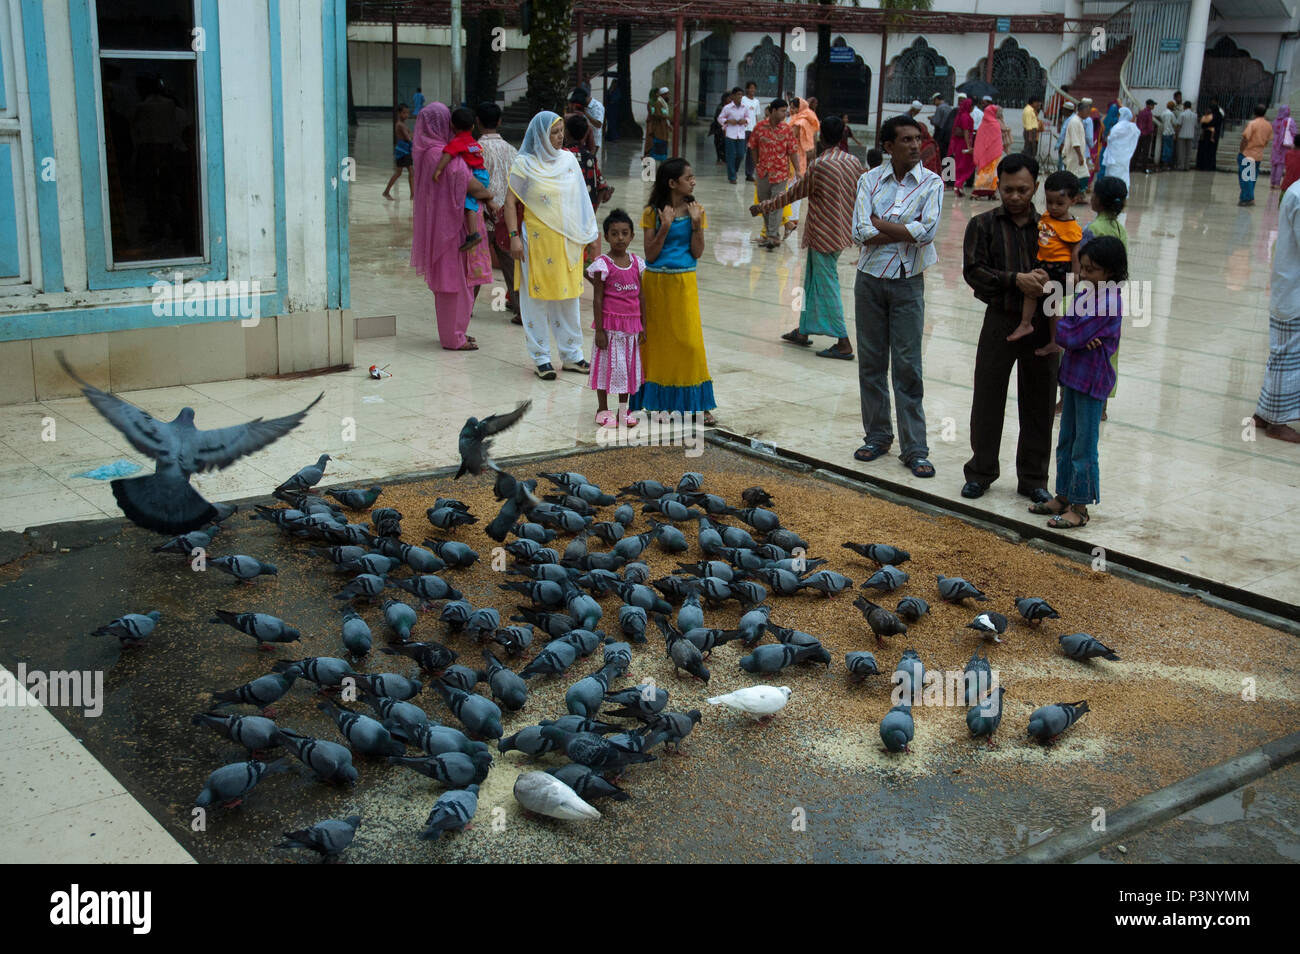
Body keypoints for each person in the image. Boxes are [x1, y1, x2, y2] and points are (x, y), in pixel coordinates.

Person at [960, 152, 1061, 504]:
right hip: (1000, 320)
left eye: (1023, 190)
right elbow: (973, 272)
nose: (1015, 197)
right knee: (987, 397)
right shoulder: (983, 225)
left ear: (1036, 186)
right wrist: (1015, 280)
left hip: (1043, 324)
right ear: (997, 185)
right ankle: (981, 471)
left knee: (1040, 402)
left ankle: (1033, 478)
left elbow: (1074, 274)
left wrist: (1046, 282)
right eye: (1008, 190)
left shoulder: (1053, 227)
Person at [850, 114, 944, 479]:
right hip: (870, 280)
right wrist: (906, 230)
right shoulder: (868, 180)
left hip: (908, 283)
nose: (915, 145)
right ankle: (877, 435)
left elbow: (928, 232)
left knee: (907, 366)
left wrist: (882, 225)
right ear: (888, 147)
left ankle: (915, 448)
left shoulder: (933, 183)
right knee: (871, 363)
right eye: (905, 139)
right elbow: (859, 231)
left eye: (917, 138)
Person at [1028, 236, 1126, 528]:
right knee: (1066, 439)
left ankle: (1080, 508)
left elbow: (1068, 334)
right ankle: (1063, 496)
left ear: (1110, 272)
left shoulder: (1108, 301)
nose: (1084, 275)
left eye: (1091, 270)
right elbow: (1069, 332)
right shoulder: (1086, 295)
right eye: (1082, 268)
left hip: (1092, 381)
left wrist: (1074, 334)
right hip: (1072, 375)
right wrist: (1075, 334)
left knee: (1084, 445)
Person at [752, 116, 864, 359]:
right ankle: (803, 331)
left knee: (827, 285)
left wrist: (764, 206)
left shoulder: (820, 165)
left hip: (823, 234)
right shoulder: (853, 162)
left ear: (821, 137)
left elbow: (793, 194)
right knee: (811, 281)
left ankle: (843, 341)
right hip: (842, 231)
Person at [505, 112, 598, 380]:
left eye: (561, 132)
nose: (559, 137)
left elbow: (581, 200)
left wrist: (590, 237)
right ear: (540, 136)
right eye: (554, 133)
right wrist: (513, 236)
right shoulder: (525, 163)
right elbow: (510, 203)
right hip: (536, 241)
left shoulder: (568, 160)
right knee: (535, 298)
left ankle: (572, 355)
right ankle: (541, 358)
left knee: (568, 297)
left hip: (567, 241)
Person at [631, 158, 717, 426]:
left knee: (690, 343)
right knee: (657, 344)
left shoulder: (697, 211)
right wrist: (665, 226)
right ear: (672, 183)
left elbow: (697, 253)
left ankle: (699, 405)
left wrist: (694, 225)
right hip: (656, 284)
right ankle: (659, 403)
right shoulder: (651, 213)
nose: (693, 181)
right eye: (688, 177)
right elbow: (651, 254)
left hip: (683, 284)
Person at [411, 103, 494, 352]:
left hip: (444, 225)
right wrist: (490, 198)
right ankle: (453, 338)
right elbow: (468, 183)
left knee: (457, 283)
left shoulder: (428, 152)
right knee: (455, 283)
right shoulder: (438, 153)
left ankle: (456, 332)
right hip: (452, 228)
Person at [1008, 170, 1081, 354]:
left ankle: (1038, 331)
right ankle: (1039, 332)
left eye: (1060, 203)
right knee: (1042, 299)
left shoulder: (1071, 227)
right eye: (1049, 202)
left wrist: (1075, 276)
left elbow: (1075, 254)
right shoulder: (1046, 217)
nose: (1054, 207)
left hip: (1058, 268)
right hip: (1043, 264)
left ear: (1074, 201)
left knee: (1042, 297)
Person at [1251, 176, 1300, 441]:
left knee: (1282, 355)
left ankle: (1264, 412)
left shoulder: (1295, 189)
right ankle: (1278, 422)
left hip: (1288, 287)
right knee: (1289, 357)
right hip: (1294, 291)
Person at [587, 209, 645, 429]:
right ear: (607, 236)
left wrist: (643, 326)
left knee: (627, 369)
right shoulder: (603, 264)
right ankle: (602, 409)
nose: (620, 238)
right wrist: (600, 330)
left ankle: (623, 410)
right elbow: (598, 299)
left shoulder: (637, 263)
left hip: (631, 328)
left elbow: (641, 297)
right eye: (614, 233)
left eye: (624, 233)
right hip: (609, 329)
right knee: (605, 367)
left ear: (631, 236)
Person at [1080, 175, 1129, 421]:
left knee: (1081, 345)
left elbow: (1082, 267)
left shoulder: (1092, 230)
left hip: (1090, 298)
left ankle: (1069, 397)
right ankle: (1103, 404)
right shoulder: (1121, 230)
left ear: (1097, 200)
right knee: (1108, 352)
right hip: (1112, 299)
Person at [475, 101, 522, 322]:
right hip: (508, 217)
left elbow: (473, 183)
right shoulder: (512, 150)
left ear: (477, 122)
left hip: (484, 215)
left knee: (475, 263)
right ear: (500, 121)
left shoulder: (477, 149)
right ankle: (522, 310)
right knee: (513, 267)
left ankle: (464, 309)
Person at [434, 107, 492, 252]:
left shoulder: (457, 142)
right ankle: (487, 199)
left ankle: (473, 234)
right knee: (473, 201)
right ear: (472, 126)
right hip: (483, 174)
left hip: (476, 176)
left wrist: (438, 169)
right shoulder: (473, 142)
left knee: (468, 204)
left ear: (452, 126)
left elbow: (448, 155)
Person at [749, 99, 802, 250]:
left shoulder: (786, 129)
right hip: (763, 173)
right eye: (781, 110)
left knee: (777, 204)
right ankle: (770, 234)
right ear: (772, 111)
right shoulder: (759, 128)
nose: (784, 113)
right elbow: (752, 146)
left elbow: (792, 151)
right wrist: (757, 164)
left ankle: (773, 235)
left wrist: (798, 170)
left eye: (785, 110)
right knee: (764, 203)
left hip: (780, 174)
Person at [1238, 104, 1273, 207]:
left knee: (1245, 178)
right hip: (1258, 154)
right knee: (1252, 178)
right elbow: (1267, 140)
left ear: (1254, 113)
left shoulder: (1252, 123)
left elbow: (1246, 138)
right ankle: (1245, 196)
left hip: (1248, 153)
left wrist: (1241, 150)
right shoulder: (1268, 125)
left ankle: (1248, 198)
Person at [718, 87, 751, 184]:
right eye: (738, 94)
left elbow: (748, 117)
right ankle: (732, 177)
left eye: (741, 94)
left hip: (741, 134)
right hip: (730, 134)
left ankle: (734, 170)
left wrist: (745, 121)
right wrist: (728, 121)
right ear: (733, 96)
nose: (739, 97)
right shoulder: (727, 108)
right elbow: (720, 118)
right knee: (731, 156)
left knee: (741, 154)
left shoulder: (745, 107)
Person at [971, 104, 1003, 198]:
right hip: (994, 154)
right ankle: (989, 191)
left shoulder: (983, 125)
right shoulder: (995, 124)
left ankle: (982, 190)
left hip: (985, 154)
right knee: (992, 173)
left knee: (985, 172)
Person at [1103, 106, 1139, 191]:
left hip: (1114, 157)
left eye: (1119, 115)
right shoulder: (1133, 127)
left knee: (1113, 175)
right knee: (1123, 175)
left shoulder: (1118, 127)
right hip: (1125, 157)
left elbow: (1109, 138)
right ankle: (1122, 192)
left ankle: (1112, 193)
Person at [382, 103, 413, 200]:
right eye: (404, 113)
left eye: (407, 113)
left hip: (404, 150)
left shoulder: (402, 124)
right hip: (403, 151)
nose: (406, 115)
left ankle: (412, 194)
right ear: (399, 113)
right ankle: (387, 192)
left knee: (406, 172)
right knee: (406, 172)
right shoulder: (400, 125)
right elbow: (408, 138)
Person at [1062, 101, 1090, 204]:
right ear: (1082, 110)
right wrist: (1080, 156)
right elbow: (1075, 140)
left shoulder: (1079, 121)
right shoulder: (1074, 122)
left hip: (1078, 155)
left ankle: (1078, 197)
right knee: (1077, 176)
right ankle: (1073, 197)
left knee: (1082, 176)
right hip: (1074, 155)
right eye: (1087, 111)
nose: (1088, 113)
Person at [948, 97, 976, 196]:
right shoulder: (965, 116)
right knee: (966, 164)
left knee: (962, 165)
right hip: (964, 144)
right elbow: (965, 131)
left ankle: (959, 186)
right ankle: (959, 185)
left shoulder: (962, 115)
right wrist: (969, 146)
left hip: (962, 143)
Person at [1271, 105, 1296, 189]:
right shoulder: (1289, 120)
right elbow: (1293, 132)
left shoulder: (1275, 121)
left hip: (1275, 144)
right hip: (1284, 144)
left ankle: (1272, 182)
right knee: (1280, 164)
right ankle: (1277, 183)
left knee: (1274, 163)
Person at [644, 87, 672, 161]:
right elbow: (654, 114)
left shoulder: (661, 103)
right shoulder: (655, 102)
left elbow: (664, 113)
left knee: (660, 145)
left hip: (662, 127)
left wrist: (668, 123)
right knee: (653, 145)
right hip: (656, 127)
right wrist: (664, 116)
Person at [741, 81, 761, 181]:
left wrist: (757, 129)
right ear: (747, 89)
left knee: (751, 152)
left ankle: (749, 173)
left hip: (752, 130)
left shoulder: (756, 102)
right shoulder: (743, 99)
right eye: (751, 88)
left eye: (754, 88)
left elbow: (757, 117)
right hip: (743, 129)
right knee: (741, 152)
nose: (752, 90)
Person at [1197, 100, 1222, 171]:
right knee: (1212, 151)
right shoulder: (1219, 115)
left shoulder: (1209, 116)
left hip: (1207, 135)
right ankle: (1210, 166)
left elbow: (1203, 124)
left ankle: (1203, 165)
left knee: (1205, 150)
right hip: (1214, 135)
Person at [1135, 99, 1156, 171]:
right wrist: (1151, 132)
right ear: (1149, 105)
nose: (1153, 107)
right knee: (1145, 152)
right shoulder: (1149, 113)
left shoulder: (1141, 112)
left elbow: (1137, 122)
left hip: (1140, 133)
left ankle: (1133, 166)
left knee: (1137, 150)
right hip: (1146, 134)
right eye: (1152, 105)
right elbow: (1149, 125)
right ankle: (1143, 167)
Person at [1176, 100, 1197, 171]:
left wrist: (1176, 134)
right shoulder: (1194, 115)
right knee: (1188, 152)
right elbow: (1195, 125)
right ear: (1190, 107)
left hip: (1182, 135)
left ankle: (1181, 166)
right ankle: (1187, 166)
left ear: (1184, 106)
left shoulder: (1182, 114)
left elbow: (1179, 125)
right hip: (1190, 135)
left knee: (1181, 152)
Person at [1159, 100, 1177, 169]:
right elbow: (1175, 123)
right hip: (1170, 133)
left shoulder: (1163, 113)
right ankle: (1167, 164)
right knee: (1169, 149)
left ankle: (1164, 163)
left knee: (1165, 148)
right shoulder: (1171, 114)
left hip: (1164, 132)